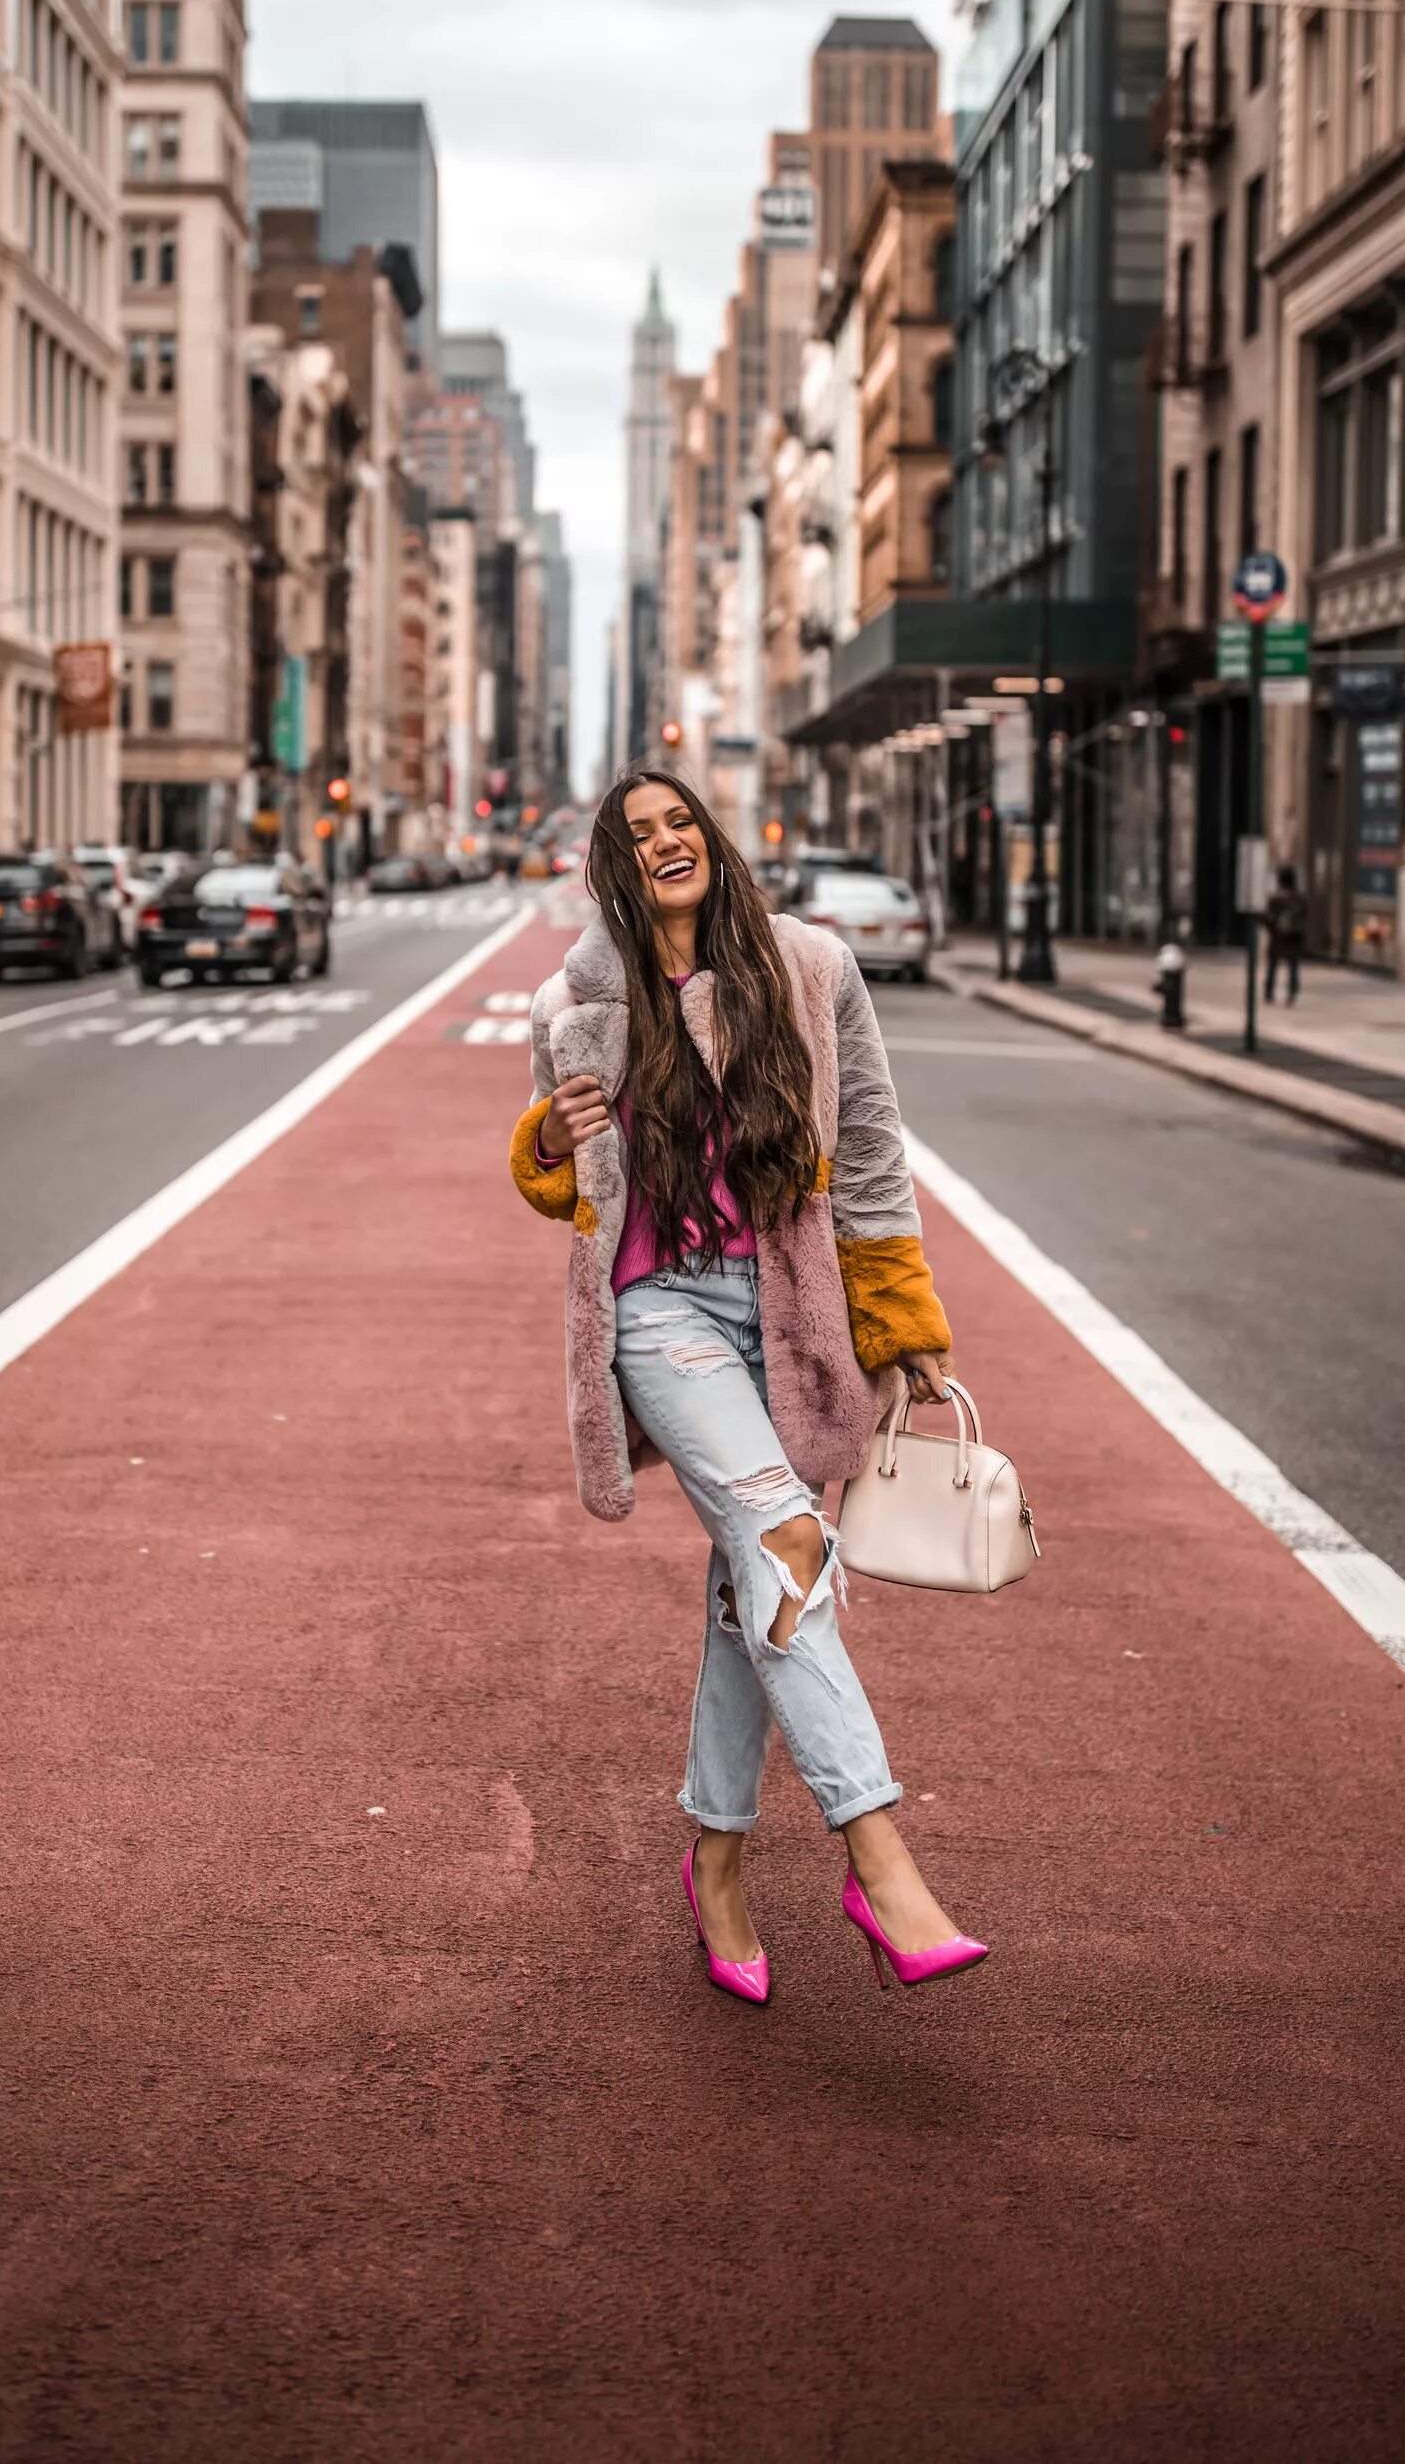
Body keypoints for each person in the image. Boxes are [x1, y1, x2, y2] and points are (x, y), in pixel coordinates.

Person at [508, 767, 989, 2009]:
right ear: (615, 871)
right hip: (658, 1311)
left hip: (783, 1302)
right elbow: (556, 1178)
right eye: (636, 835)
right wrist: (553, 1140)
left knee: (750, 1579)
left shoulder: (812, 970)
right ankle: (878, 1861)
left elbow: (871, 1152)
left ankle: (714, 1863)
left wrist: (900, 1321)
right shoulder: (577, 1001)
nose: (663, 842)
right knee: (782, 1534)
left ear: (710, 839)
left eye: (678, 821)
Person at [1263, 863, 1306, 1005]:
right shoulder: (1299, 898)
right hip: (1293, 938)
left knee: (1273, 965)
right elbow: (1304, 918)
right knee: (1293, 966)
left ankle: (1269, 992)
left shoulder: (1275, 898)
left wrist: (1272, 929)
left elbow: (1268, 917)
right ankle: (1292, 993)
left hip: (1277, 937)